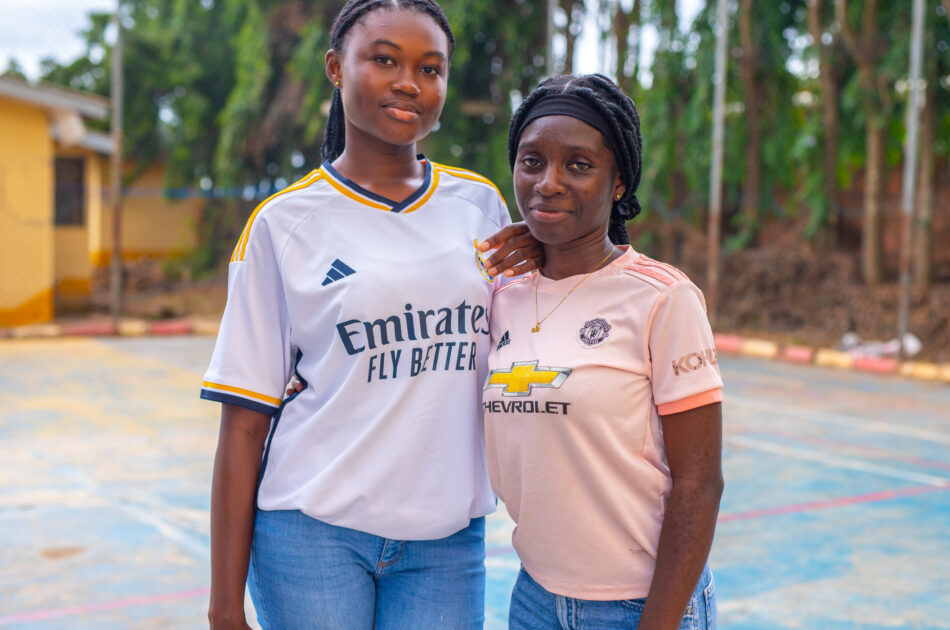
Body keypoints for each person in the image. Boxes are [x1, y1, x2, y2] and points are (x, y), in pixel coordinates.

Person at [201, 1, 540, 628]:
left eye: (430, 69)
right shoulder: (283, 224)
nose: (409, 83)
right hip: (312, 531)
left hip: (446, 539)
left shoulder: (481, 207)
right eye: (385, 60)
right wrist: (224, 607)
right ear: (336, 68)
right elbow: (244, 424)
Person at [483, 73, 724, 630]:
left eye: (579, 165)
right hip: (534, 599)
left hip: (638, 606)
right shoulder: (501, 295)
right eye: (532, 161)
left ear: (618, 183)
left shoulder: (662, 298)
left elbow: (700, 483)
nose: (548, 182)